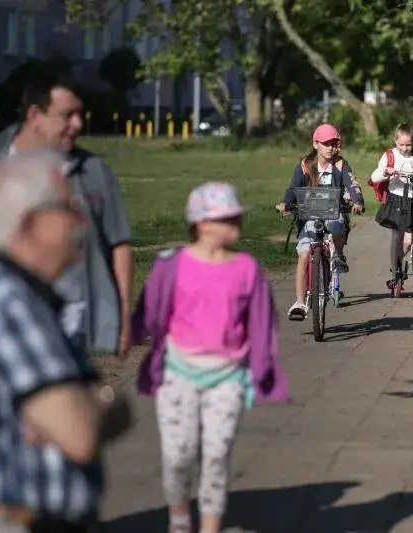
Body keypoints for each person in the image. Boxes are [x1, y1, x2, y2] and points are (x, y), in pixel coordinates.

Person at [0, 150, 131, 533]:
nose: (82, 221)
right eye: (69, 209)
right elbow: (80, 433)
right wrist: (97, 401)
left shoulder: (30, 300)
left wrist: (91, 401)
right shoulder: (7, 305)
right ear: (30, 223)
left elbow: (82, 418)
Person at [132, 182, 290, 533]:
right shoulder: (171, 265)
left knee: (217, 456)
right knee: (178, 455)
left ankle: (209, 526)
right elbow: (148, 310)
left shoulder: (246, 268)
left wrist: (262, 366)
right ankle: (179, 517)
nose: (237, 223)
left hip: (227, 377)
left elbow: (263, 321)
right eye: (227, 218)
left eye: (237, 216)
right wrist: (128, 336)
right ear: (201, 223)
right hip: (178, 373)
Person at [0, 68, 132, 357]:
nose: (78, 124)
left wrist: (123, 315)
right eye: (67, 115)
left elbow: (118, 243)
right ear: (35, 115)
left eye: (80, 114)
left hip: (70, 322)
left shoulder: (94, 173)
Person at [278, 124, 364, 320]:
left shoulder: (341, 165)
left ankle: (338, 254)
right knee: (304, 254)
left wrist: (357, 201)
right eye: (326, 144)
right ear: (315, 144)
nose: (330, 148)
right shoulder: (305, 165)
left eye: (334, 144)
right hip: (309, 215)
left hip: (334, 213)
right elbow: (293, 188)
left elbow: (353, 185)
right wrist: (286, 203)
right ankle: (300, 302)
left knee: (337, 226)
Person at [369, 123, 413, 289]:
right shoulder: (389, 155)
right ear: (395, 140)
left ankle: (398, 262)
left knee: (409, 238)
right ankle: (395, 273)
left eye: (408, 144)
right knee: (396, 235)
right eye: (401, 144)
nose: (405, 148)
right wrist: (386, 171)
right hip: (397, 197)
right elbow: (375, 177)